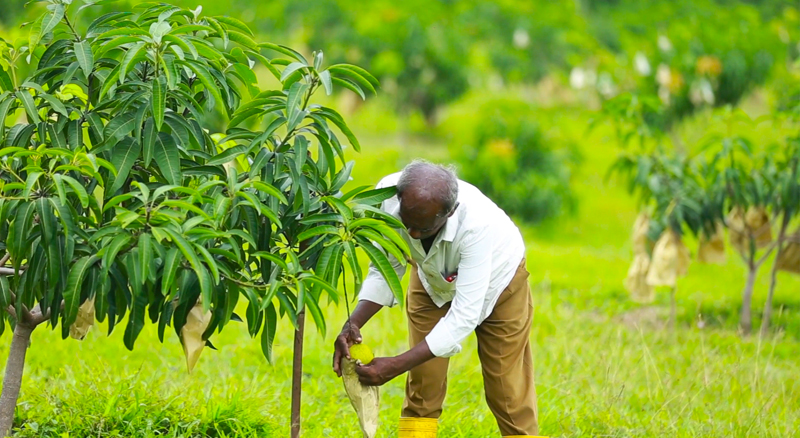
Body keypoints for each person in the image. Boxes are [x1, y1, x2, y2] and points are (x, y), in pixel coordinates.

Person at [332, 160, 541, 437]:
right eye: (408, 226)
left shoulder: (477, 226)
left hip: (500, 283)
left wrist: (395, 365)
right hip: (431, 277)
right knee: (423, 384)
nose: (414, 235)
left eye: (425, 229)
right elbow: (386, 267)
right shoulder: (385, 198)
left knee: (506, 389)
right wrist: (352, 323)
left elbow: (464, 317)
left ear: (450, 213)